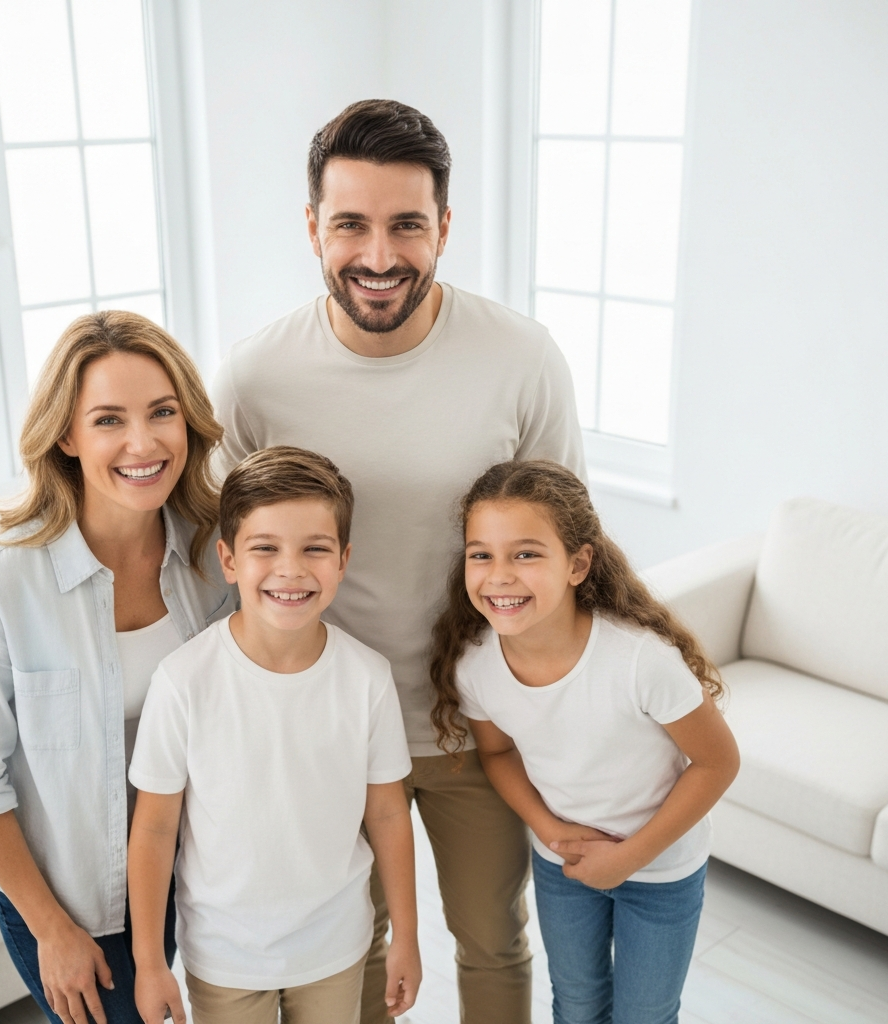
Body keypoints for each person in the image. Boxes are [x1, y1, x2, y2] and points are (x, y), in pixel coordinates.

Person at [210, 98, 584, 1024]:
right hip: (327, 734)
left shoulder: (523, 358)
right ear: (312, 229)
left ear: (445, 227)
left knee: (492, 942)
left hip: (480, 731)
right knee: (354, 951)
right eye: (350, 225)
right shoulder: (255, 379)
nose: (379, 256)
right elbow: (219, 566)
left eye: (407, 224)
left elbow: (575, 554)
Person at [0, 312, 235, 1024]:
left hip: (184, 872)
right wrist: (51, 929)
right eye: (108, 420)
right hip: (69, 901)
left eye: (163, 412)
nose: (143, 441)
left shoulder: (213, 555)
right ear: (66, 436)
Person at [429, 459, 741, 1024]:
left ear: (578, 563)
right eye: (482, 554)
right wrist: (549, 832)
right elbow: (497, 754)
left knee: (645, 1014)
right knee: (575, 1006)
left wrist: (628, 858)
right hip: (563, 867)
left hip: (660, 871)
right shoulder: (476, 667)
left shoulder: (641, 660)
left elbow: (718, 762)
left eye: (525, 553)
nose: (499, 575)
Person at [127, 446, 420, 1024]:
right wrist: (148, 961)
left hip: (336, 948)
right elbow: (155, 828)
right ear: (229, 560)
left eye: (315, 548)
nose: (291, 569)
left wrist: (407, 935)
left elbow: (388, 815)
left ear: (343, 560)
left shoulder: (367, 678)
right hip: (223, 957)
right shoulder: (184, 681)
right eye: (265, 549)